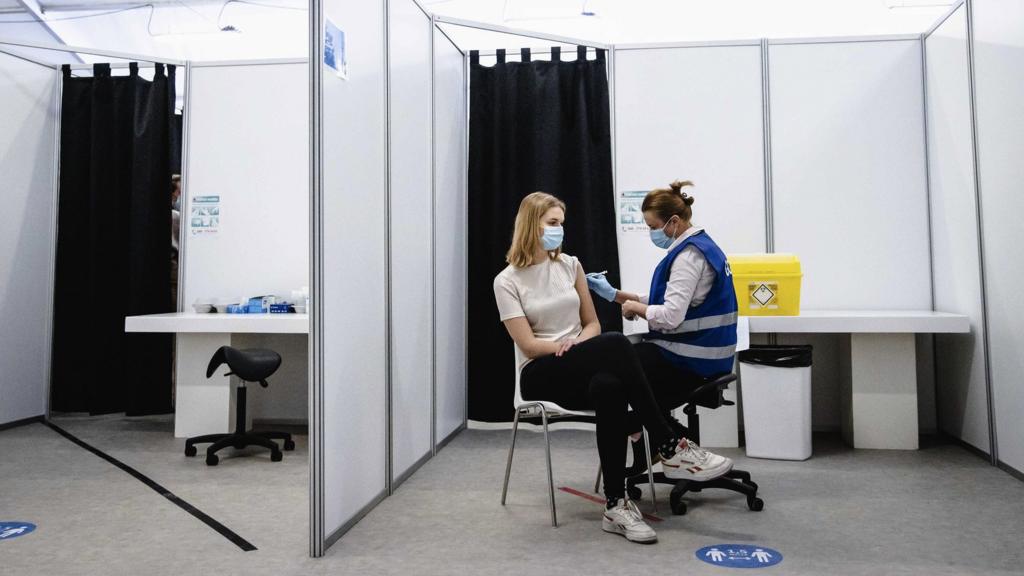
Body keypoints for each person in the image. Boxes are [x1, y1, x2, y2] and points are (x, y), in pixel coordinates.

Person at [493, 191, 727, 544]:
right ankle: (668, 442)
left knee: (610, 384)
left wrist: (581, 345)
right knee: (618, 344)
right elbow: (527, 344)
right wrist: (564, 346)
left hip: (581, 359)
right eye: (553, 223)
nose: (560, 230)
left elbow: (592, 325)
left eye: (562, 223)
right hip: (541, 371)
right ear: (531, 226)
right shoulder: (507, 281)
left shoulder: (571, 265)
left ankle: (616, 505)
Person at [586, 180, 737, 476]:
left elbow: (670, 316)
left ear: (674, 222)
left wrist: (636, 309)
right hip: (708, 352)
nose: (651, 233)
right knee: (626, 364)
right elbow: (669, 301)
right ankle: (662, 440)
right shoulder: (702, 246)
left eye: (653, 226)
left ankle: (668, 439)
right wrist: (616, 296)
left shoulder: (687, 257)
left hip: (692, 356)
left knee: (615, 369)